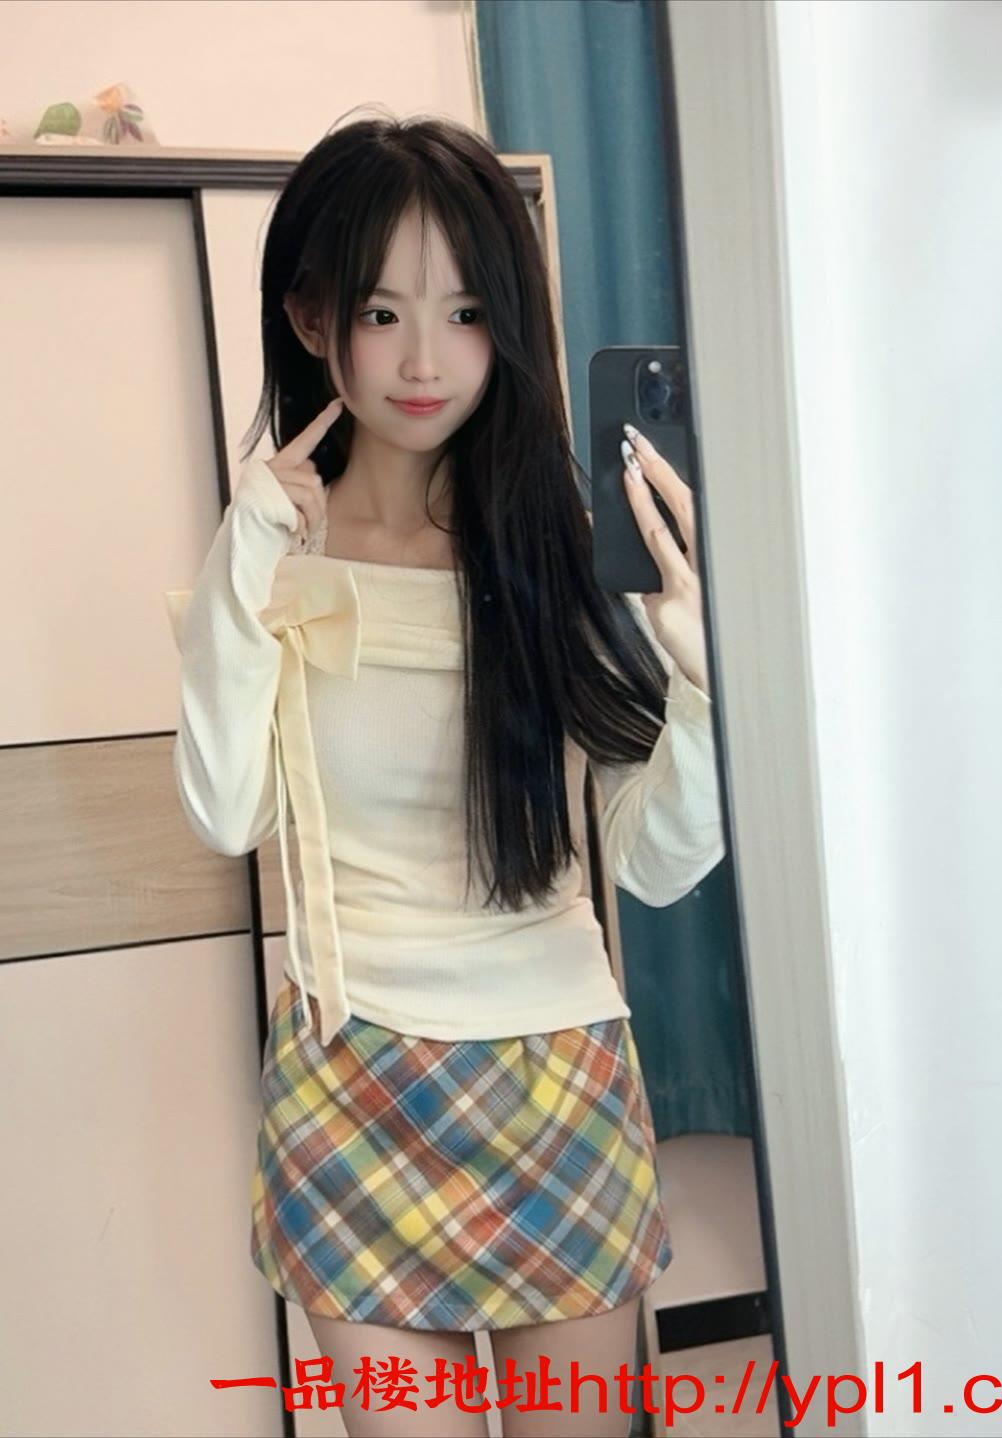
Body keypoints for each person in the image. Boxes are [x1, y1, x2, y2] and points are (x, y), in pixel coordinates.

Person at [165, 110, 725, 1438]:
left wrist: (707, 687)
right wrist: (245, 564)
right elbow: (228, 812)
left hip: (557, 1076)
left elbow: (653, 864)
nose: (426, 361)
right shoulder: (272, 555)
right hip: (347, 1075)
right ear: (312, 318)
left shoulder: (557, 544)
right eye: (383, 313)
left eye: (468, 313)